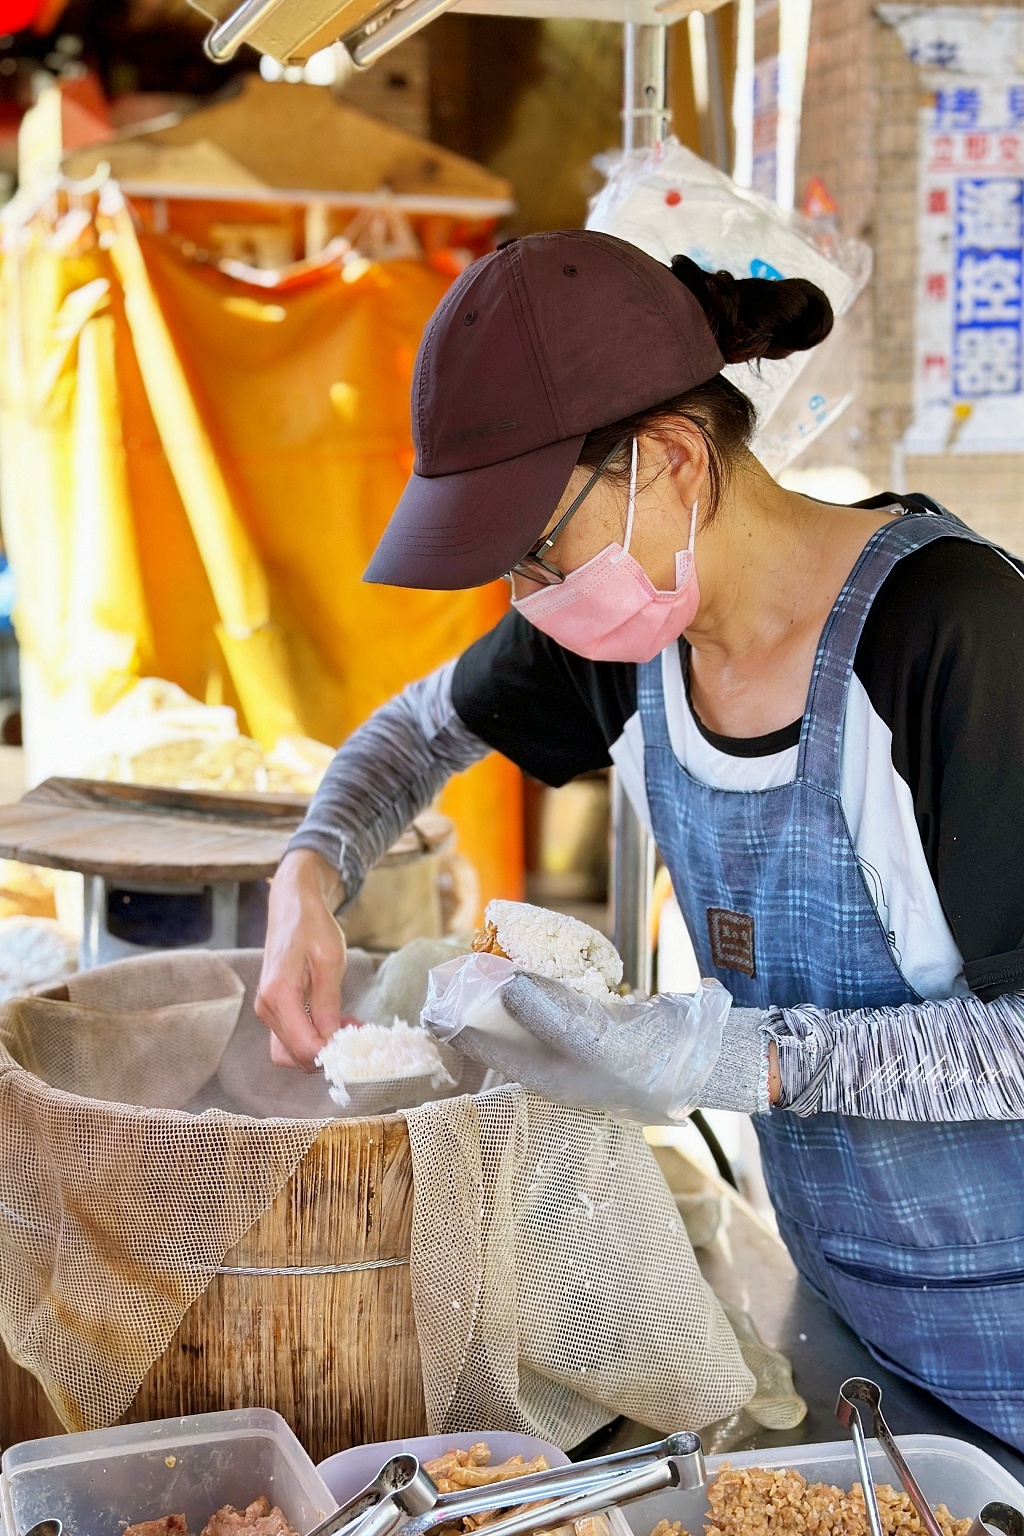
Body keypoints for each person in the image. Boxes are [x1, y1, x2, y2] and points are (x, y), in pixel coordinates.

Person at [256, 230, 1024, 1448]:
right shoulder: (634, 645)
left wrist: (713, 1057)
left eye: (532, 546)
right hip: (847, 1314)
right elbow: (406, 739)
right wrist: (308, 873)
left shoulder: (956, 639)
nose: (525, 594)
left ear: (668, 459)